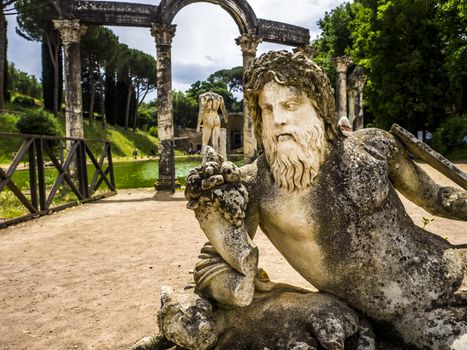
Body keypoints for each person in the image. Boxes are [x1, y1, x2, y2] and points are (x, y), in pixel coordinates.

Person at [186, 51, 467, 349]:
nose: (279, 119)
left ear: (319, 106)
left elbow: (437, 198)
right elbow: (212, 267)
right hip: (416, 318)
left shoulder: (375, 144)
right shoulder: (254, 186)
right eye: (267, 109)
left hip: (452, 263)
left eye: (290, 105)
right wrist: (290, 303)